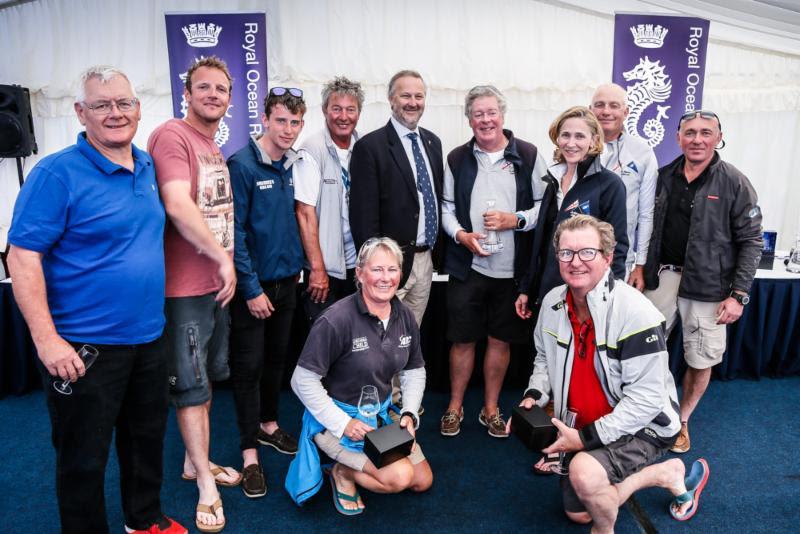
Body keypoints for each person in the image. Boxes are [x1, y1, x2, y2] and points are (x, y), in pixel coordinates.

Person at [7, 66, 186, 534]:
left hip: (149, 338)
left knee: (146, 441)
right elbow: (21, 258)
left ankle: (144, 519)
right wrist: (47, 342)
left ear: (139, 108)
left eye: (123, 102)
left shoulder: (147, 165)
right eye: (101, 105)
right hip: (82, 350)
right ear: (80, 112)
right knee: (83, 458)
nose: (114, 113)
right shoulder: (54, 173)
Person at [514, 215, 710, 532]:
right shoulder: (552, 303)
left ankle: (604, 530)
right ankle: (665, 474)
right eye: (566, 253)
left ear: (607, 258)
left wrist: (583, 440)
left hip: (645, 425)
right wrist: (534, 396)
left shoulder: (636, 313)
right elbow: (542, 359)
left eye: (587, 252)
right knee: (578, 512)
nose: (575, 262)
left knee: (585, 475)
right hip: (586, 423)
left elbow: (646, 402)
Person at [148, 56, 238, 533]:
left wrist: (226, 263)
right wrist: (222, 259)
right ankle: (204, 481)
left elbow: (219, 212)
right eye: (203, 87)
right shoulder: (173, 135)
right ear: (187, 93)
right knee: (189, 389)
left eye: (220, 89)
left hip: (213, 288)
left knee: (204, 384)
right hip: (181, 289)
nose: (212, 95)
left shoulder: (211, 145)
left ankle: (191, 461)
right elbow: (177, 202)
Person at [643, 110, 762, 454]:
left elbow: (752, 241)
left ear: (718, 136)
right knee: (644, 351)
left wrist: (738, 295)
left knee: (700, 358)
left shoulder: (735, 182)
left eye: (705, 133)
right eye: (690, 132)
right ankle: (650, 410)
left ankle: (681, 421)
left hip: (709, 288)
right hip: (661, 278)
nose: (697, 139)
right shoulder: (663, 176)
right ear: (678, 138)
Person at [286, 237, 433, 515]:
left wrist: (410, 414)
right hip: (336, 423)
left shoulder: (404, 316)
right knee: (400, 476)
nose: (385, 278)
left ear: (400, 274)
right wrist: (343, 423)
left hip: (378, 416)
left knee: (422, 481)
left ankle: (354, 467)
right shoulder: (336, 319)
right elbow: (301, 381)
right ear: (360, 273)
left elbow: (414, 370)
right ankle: (342, 472)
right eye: (377, 270)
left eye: (392, 270)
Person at [439, 85, 548, 438]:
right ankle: (455, 407)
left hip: (511, 272)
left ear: (502, 115)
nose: (485, 120)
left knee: (500, 340)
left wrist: (513, 220)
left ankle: (490, 408)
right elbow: (446, 208)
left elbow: (545, 208)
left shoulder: (528, 155)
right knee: (463, 339)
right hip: (467, 267)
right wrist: (461, 236)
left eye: (491, 113)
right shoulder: (457, 158)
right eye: (477, 114)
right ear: (469, 119)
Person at [226, 87, 307, 497]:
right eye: (281, 121)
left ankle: (270, 425)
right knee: (248, 368)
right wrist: (251, 289)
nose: (288, 129)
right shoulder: (241, 164)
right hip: (252, 290)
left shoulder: (292, 164)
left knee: (277, 361)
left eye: (295, 122)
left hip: (287, 283)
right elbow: (234, 234)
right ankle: (248, 455)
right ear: (265, 119)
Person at [515, 106, 628, 323]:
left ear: (594, 140)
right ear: (557, 139)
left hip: (586, 295)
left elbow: (618, 246)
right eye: (565, 135)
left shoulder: (610, 185)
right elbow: (540, 241)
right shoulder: (553, 180)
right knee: (546, 355)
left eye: (579, 136)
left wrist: (609, 296)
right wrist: (527, 288)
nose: (571, 142)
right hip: (548, 293)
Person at [349, 69, 444, 326]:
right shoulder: (369, 148)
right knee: (379, 337)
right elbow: (362, 217)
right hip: (388, 266)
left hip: (424, 261)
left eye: (419, 96)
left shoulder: (433, 143)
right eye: (405, 96)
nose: (413, 102)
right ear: (391, 99)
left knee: (409, 338)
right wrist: (377, 268)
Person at [294, 76, 364, 322]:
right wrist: (317, 269)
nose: (343, 116)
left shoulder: (363, 147)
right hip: (326, 270)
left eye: (350, 109)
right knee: (326, 341)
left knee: (358, 340)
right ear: (325, 110)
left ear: (359, 112)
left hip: (357, 266)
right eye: (336, 109)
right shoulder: (312, 150)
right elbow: (304, 212)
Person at [590, 83, 658, 289]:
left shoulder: (642, 152)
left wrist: (640, 265)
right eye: (600, 105)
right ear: (590, 110)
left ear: (626, 111)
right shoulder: (576, 146)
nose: (606, 111)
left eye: (614, 105)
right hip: (576, 255)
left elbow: (646, 214)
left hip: (619, 258)